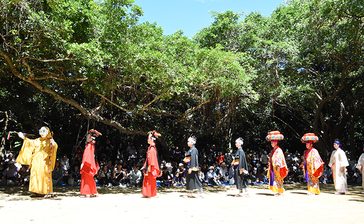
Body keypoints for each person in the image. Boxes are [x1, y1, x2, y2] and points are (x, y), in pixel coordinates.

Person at [16, 126, 58, 197]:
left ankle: (46, 191)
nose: (42, 133)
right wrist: (23, 137)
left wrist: (53, 144)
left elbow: (54, 147)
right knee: (34, 175)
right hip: (35, 161)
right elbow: (29, 142)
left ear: (48, 132)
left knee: (43, 175)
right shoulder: (37, 140)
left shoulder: (50, 141)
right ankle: (35, 191)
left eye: (44, 131)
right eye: (41, 131)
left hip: (44, 162)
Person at [266, 131, 288, 196]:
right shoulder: (273, 150)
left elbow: (279, 159)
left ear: (276, 142)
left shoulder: (279, 150)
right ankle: (278, 191)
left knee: (278, 179)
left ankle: (280, 191)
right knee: (275, 179)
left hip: (277, 167)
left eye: (272, 142)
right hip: (273, 167)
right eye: (271, 142)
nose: (271, 143)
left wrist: (277, 165)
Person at [80, 129, 101, 197]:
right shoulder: (90, 145)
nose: (87, 138)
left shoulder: (90, 145)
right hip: (88, 163)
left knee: (88, 177)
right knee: (88, 177)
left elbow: (87, 155)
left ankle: (89, 192)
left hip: (87, 163)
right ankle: (91, 192)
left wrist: (83, 163)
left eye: (88, 137)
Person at [141, 130, 161, 198]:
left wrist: (150, 167)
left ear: (152, 139)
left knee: (150, 180)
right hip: (148, 166)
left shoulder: (152, 148)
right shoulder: (150, 148)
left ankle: (150, 193)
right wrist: (145, 166)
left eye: (149, 138)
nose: (148, 139)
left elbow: (152, 159)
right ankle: (147, 193)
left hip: (150, 166)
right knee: (148, 180)